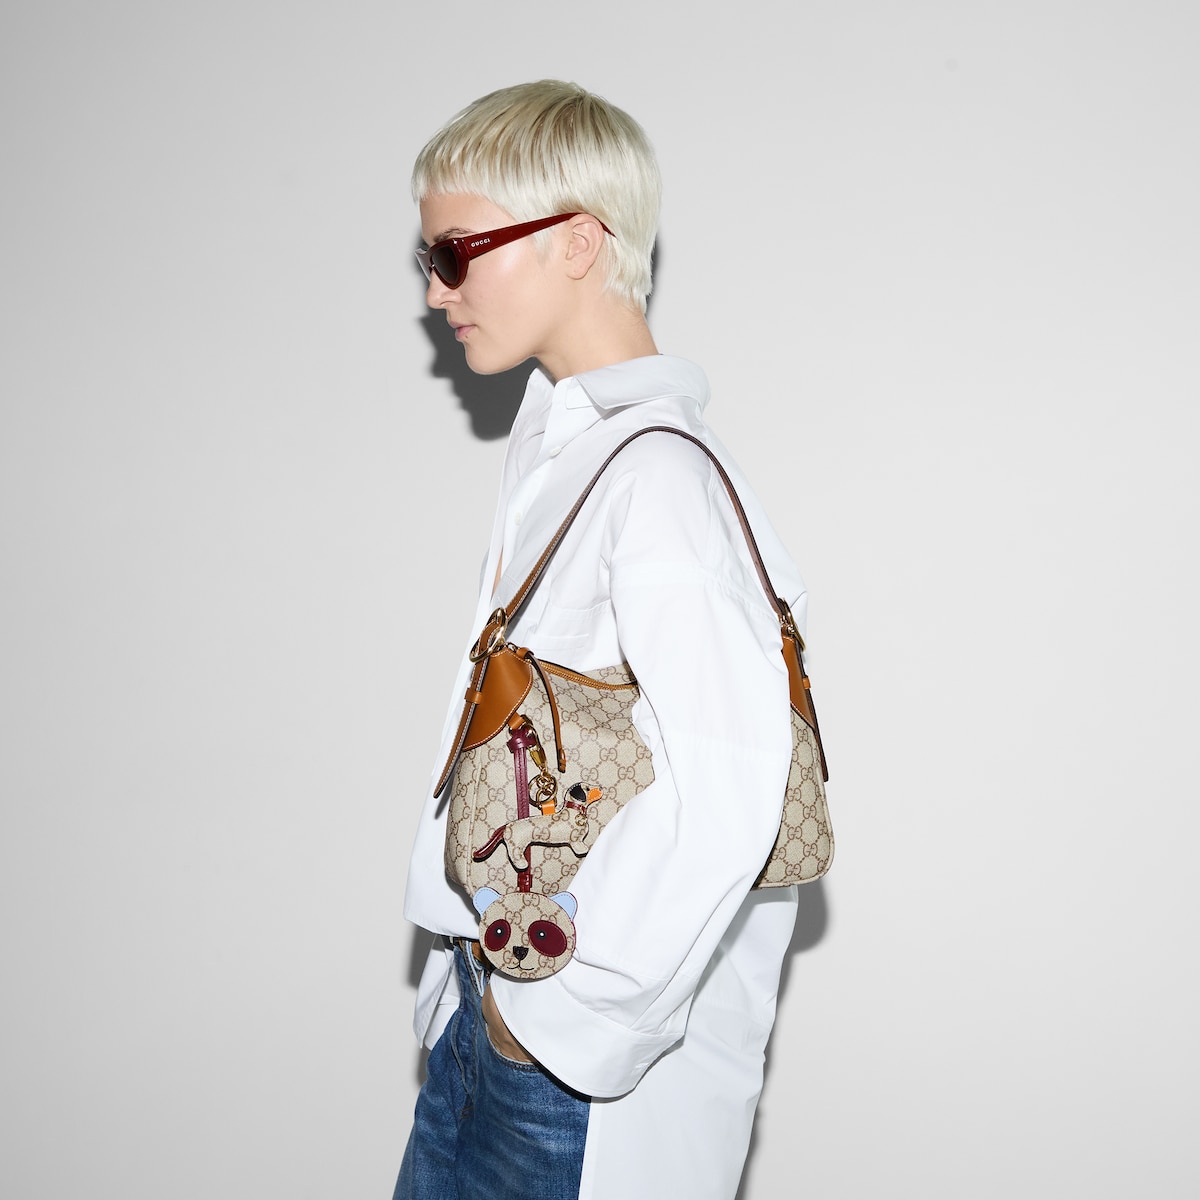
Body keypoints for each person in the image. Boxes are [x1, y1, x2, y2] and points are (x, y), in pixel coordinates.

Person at [396, 80, 814, 1200]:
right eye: (430, 259)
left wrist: (560, 1023)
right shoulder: (569, 455)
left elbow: (730, 788)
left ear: (577, 242)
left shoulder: (659, 476)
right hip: (486, 1020)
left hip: (566, 1075)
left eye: (457, 252)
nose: (437, 290)